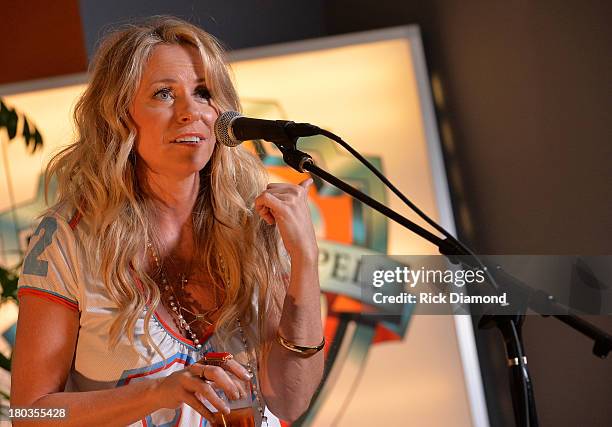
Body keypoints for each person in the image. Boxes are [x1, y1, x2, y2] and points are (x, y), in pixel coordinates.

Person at [10, 16, 324, 427]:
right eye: (163, 94)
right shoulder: (67, 238)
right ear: (119, 116)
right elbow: (31, 413)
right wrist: (157, 392)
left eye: (203, 93)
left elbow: (290, 399)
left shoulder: (256, 219)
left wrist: (305, 258)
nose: (190, 111)